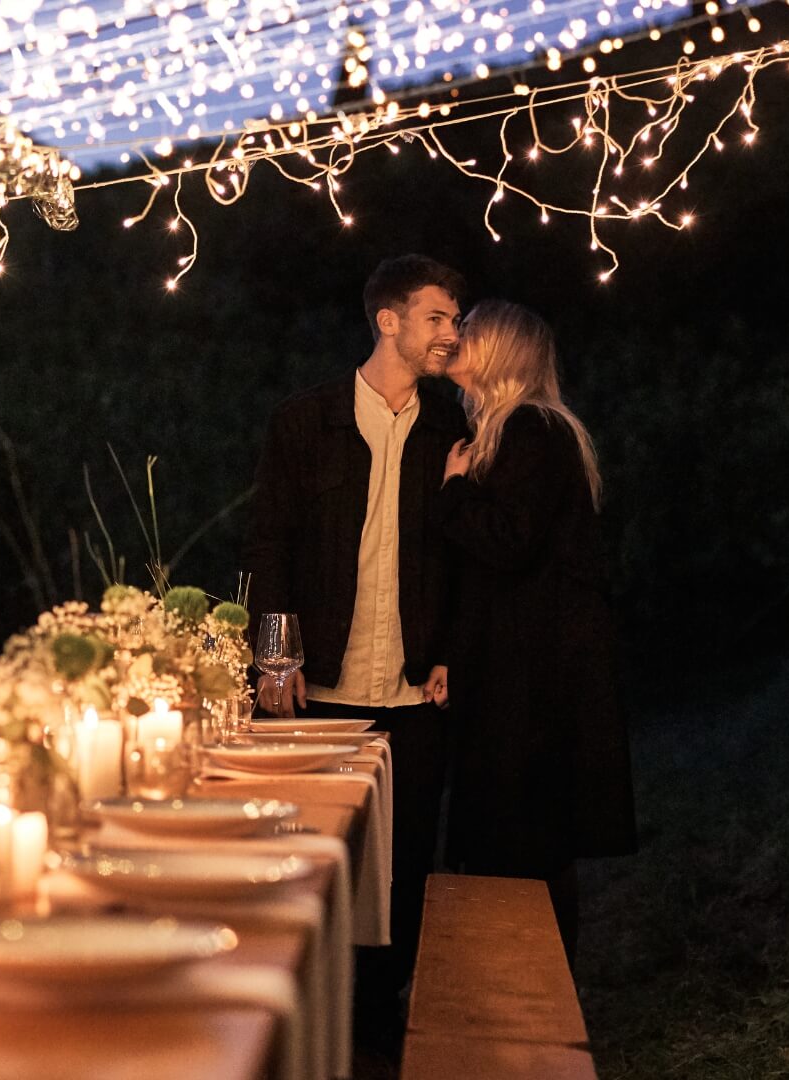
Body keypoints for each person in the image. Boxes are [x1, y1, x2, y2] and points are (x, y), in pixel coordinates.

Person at [240, 253, 470, 1007]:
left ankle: (379, 1027)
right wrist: (274, 657)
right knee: (307, 861)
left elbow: (468, 556)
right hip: (322, 686)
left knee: (403, 869)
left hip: (414, 688)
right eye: (437, 317)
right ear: (389, 319)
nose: (451, 334)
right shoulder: (307, 420)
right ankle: (299, 1014)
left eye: (454, 319)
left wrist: (453, 654)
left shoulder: (453, 427)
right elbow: (268, 543)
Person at [433, 298, 638, 961]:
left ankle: (527, 992)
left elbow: (509, 544)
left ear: (501, 352)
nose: (455, 339)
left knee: (523, 833)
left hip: (533, 679)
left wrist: (455, 492)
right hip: (520, 670)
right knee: (519, 833)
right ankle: (514, 983)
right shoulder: (515, 432)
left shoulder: (532, 431)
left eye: (469, 332)